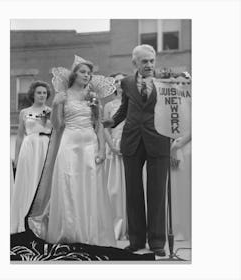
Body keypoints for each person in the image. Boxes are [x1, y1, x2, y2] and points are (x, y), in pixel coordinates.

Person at [26, 58, 116, 247]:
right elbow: (57, 127)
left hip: (89, 144)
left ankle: (89, 233)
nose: (87, 75)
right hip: (69, 144)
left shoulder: (92, 96)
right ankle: (69, 232)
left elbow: (98, 124)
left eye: (89, 73)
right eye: (83, 72)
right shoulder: (63, 95)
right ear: (74, 74)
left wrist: (101, 149)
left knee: (90, 187)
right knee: (68, 185)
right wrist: (57, 104)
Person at [103, 44, 170, 256]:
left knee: (157, 192)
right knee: (133, 193)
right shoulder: (126, 83)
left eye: (152, 61)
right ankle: (136, 240)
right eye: (144, 61)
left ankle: (157, 241)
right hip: (131, 141)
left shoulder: (167, 82)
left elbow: (175, 110)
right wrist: (109, 123)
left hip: (159, 140)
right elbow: (124, 109)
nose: (149, 65)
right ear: (135, 63)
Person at [10, 80, 52, 234]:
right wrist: (17, 157)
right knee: (28, 182)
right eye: (39, 92)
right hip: (29, 148)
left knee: (42, 182)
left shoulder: (51, 111)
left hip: (45, 147)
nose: (42, 95)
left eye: (45, 93)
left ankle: (41, 222)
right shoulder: (24, 112)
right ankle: (24, 220)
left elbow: (56, 132)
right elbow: (20, 136)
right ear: (33, 94)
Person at [104, 72, 128, 240]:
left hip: (131, 147)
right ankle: (115, 225)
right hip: (114, 146)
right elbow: (105, 128)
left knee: (130, 188)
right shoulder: (109, 106)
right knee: (114, 189)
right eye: (116, 81)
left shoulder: (134, 103)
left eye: (122, 81)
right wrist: (112, 147)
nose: (119, 84)